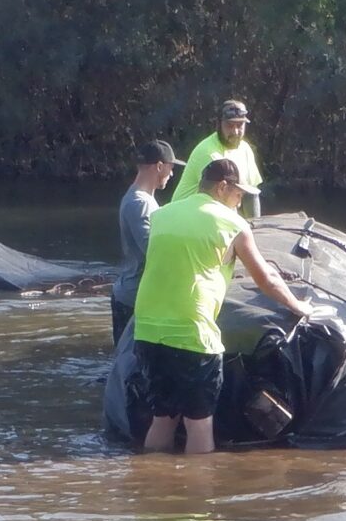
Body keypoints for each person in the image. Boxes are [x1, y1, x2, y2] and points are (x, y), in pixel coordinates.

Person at [133, 155, 314, 454]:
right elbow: (266, 279)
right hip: (192, 333)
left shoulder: (162, 215)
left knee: (162, 419)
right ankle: (200, 498)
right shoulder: (233, 224)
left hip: (148, 331)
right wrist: (298, 306)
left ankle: (152, 490)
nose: (240, 200)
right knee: (199, 423)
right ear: (222, 187)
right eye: (239, 193)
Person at [112, 138, 179, 343]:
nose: (172, 174)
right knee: (130, 368)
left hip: (135, 296)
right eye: (170, 168)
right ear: (159, 166)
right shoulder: (140, 202)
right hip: (133, 300)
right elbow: (153, 250)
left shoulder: (144, 199)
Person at [170, 99, 263, 218]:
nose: (235, 131)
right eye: (229, 125)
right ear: (218, 124)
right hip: (182, 220)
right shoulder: (208, 152)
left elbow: (251, 194)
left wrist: (256, 228)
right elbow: (220, 200)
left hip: (207, 217)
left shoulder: (245, 149)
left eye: (240, 125)